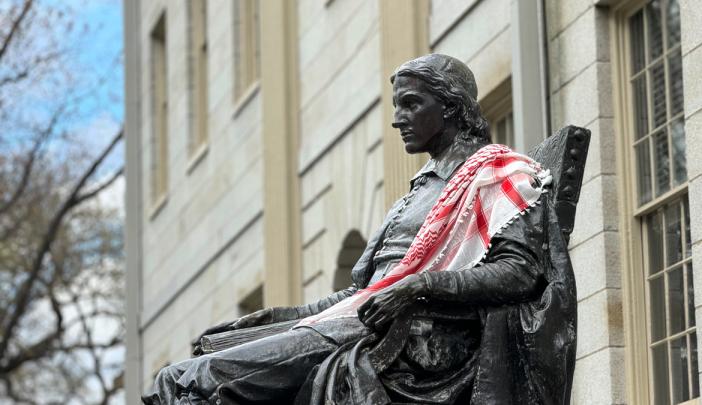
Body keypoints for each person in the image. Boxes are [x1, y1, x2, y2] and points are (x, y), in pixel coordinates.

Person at [143, 54, 576, 405]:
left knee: (195, 381)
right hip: (367, 319)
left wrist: (416, 288)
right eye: (396, 106)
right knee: (192, 363)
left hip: (419, 339)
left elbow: (520, 273)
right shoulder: (418, 190)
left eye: (411, 104)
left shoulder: (499, 172)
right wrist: (283, 316)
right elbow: (364, 291)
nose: (397, 118)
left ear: (450, 106)